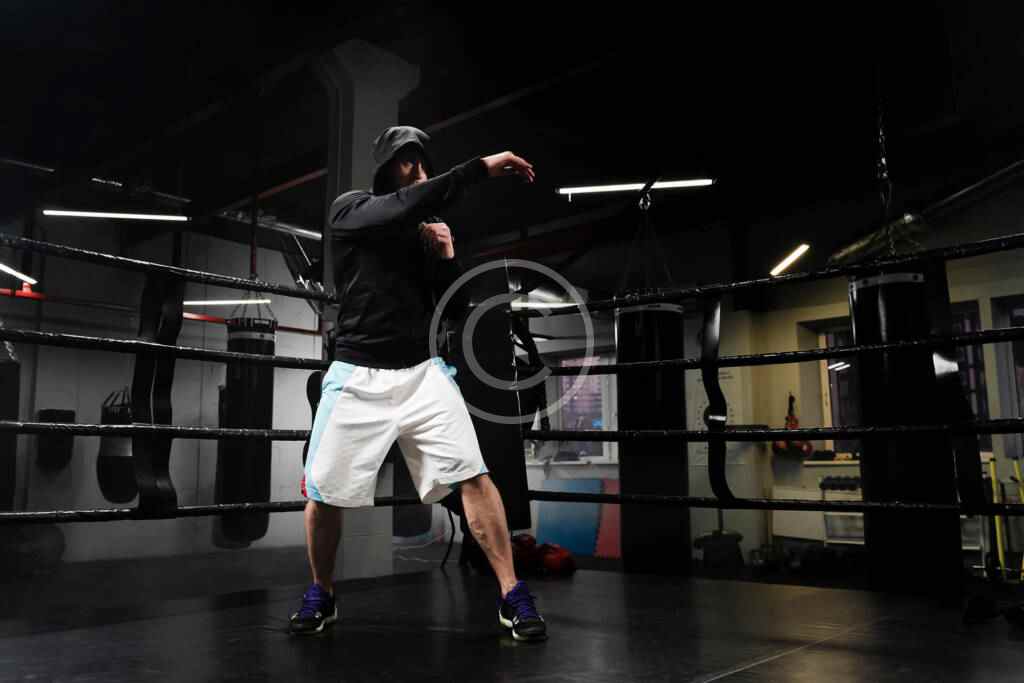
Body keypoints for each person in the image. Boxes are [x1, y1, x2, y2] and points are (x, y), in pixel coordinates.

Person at [289, 125, 547, 642]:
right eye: (409, 161)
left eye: (423, 163)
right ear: (386, 166)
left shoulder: (425, 233)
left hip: (422, 374)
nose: (419, 173)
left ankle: (511, 593)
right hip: (357, 373)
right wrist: (481, 167)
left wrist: (447, 257)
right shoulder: (352, 209)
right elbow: (400, 206)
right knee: (323, 491)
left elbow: (453, 308)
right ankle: (322, 592)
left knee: (475, 476)